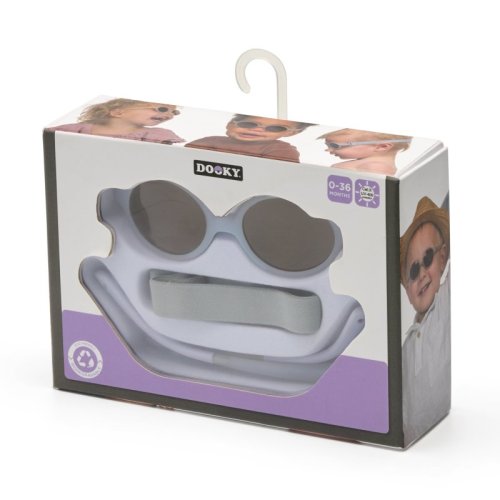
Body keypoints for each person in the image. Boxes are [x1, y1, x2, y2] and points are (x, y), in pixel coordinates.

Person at [400, 196, 451, 445]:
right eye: (412, 270)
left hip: (448, 433)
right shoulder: (404, 350)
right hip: (416, 451)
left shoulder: (445, 304)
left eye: (428, 258)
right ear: (406, 290)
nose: (421, 274)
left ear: (442, 258)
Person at [50, 98, 184, 144]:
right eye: (161, 109)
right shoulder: (79, 129)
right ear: (118, 112)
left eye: (174, 112)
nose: (169, 115)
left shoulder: (157, 134)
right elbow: (52, 137)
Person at [185, 114, 313, 162]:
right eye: (248, 124)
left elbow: (277, 174)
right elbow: (185, 159)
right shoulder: (211, 141)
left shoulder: (280, 150)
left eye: (275, 128)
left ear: (291, 133)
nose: (257, 130)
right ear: (230, 125)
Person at [319, 128, 412, 175]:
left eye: (335, 146)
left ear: (382, 147)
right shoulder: (367, 165)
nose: (328, 150)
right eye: (328, 145)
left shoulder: (377, 168)